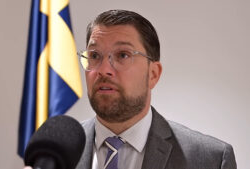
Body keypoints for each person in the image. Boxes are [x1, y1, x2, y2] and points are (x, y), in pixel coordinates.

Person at [24, 9, 237, 169]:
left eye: (122, 55)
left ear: (153, 74)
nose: (104, 70)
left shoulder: (211, 159)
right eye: (94, 56)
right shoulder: (54, 156)